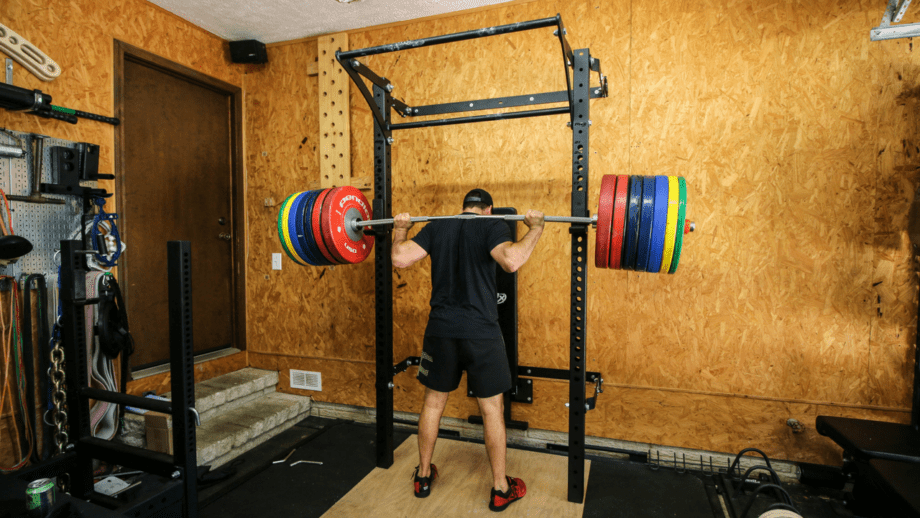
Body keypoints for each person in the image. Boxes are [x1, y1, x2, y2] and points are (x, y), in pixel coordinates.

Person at [391, 188, 545, 512]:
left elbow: (400, 257)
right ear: (488, 209)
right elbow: (512, 260)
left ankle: (422, 476)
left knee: (433, 404)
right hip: (481, 333)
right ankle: (501, 488)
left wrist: (400, 229)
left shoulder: (439, 225)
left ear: (464, 207)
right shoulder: (492, 225)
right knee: (492, 411)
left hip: (441, 331)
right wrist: (536, 228)